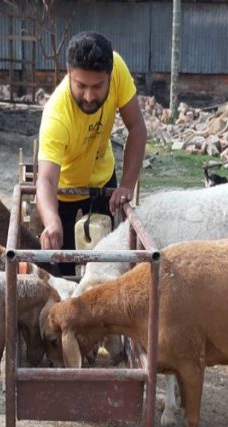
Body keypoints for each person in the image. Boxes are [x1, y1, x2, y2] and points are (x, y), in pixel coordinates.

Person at [35, 31, 146, 275]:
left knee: (106, 264)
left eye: (97, 86)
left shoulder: (118, 69)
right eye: (81, 86)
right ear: (68, 73)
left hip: (103, 182)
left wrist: (127, 185)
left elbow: (137, 128)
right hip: (64, 189)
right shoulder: (56, 114)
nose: (88, 96)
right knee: (62, 268)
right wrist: (51, 220)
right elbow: (46, 179)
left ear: (110, 74)